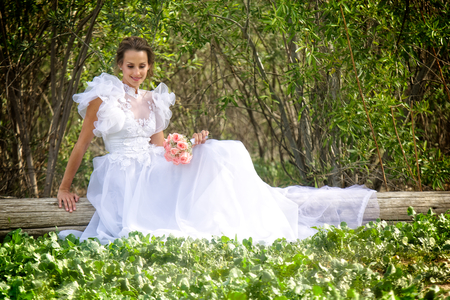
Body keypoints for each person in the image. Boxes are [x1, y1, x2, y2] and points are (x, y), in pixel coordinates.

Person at [57, 36, 379, 245]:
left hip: (151, 165)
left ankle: (238, 216)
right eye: (130, 66)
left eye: (142, 66)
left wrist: (185, 146)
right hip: (123, 175)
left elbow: (158, 146)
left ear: (149, 66)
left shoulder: (154, 100)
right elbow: (82, 145)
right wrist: (64, 186)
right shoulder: (106, 98)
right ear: (120, 65)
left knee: (220, 151)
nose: (137, 72)